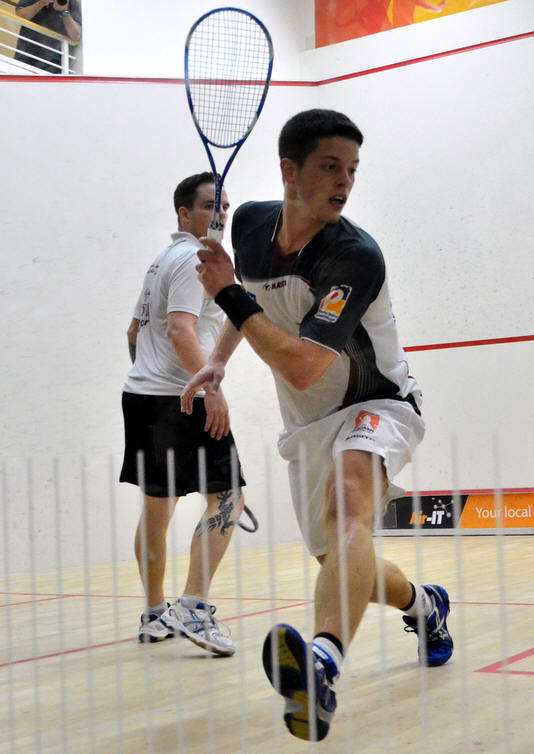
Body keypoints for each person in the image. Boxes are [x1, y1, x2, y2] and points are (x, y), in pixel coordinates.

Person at [180, 110, 453, 740]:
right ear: (289, 170)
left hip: (379, 402)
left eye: (352, 169)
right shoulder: (250, 224)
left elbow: (302, 367)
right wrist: (218, 360)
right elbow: (255, 300)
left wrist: (226, 294)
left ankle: (322, 662)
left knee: (347, 504)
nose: (345, 182)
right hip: (307, 427)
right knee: (339, 559)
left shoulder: (354, 256)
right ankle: (425, 604)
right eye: (330, 167)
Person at [120, 172, 247, 656]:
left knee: (159, 504)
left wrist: (149, 378)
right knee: (228, 497)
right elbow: (179, 329)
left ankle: (155, 613)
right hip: (183, 397)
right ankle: (193, 606)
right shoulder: (196, 259)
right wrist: (209, 389)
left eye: (225, 206)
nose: (221, 215)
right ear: (184, 213)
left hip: (143, 397)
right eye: (211, 206)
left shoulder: (161, 261)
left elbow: (134, 332)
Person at [14, 0, 82, 74]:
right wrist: (41, 3)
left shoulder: (72, 3)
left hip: (52, 62)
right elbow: (19, 16)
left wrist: (64, 11)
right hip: (24, 55)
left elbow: (76, 35)